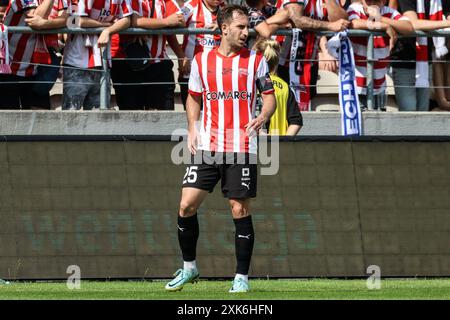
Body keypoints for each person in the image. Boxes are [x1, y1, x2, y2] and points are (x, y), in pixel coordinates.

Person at [165, 5, 276, 293]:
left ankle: (241, 277)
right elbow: (193, 98)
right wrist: (192, 127)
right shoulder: (202, 61)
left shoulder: (255, 61)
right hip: (209, 145)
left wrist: (263, 115)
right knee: (186, 205)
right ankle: (189, 267)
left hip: (242, 145)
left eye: (247, 27)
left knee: (238, 208)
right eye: (240, 27)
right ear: (224, 28)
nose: (246, 32)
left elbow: (269, 98)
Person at [265, 0, 349, 111]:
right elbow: (297, 19)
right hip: (282, 62)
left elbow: (341, 21)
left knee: (303, 111)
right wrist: (330, 25)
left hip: (308, 63)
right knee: (281, 110)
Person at [110, 0, 184, 110]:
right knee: (131, 116)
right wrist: (166, 22)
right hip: (128, 64)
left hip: (159, 64)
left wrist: (147, 26)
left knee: (162, 116)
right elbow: (133, 21)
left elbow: (180, 22)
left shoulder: (166, 1)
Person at [62, 0, 132, 110]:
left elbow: (127, 20)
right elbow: (75, 21)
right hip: (76, 63)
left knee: (100, 115)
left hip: (103, 63)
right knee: (71, 113)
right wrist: (105, 26)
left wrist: (108, 30)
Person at [347, 0, 413, 111]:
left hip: (379, 87)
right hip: (355, 87)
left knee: (378, 127)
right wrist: (384, 26)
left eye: (376, 0)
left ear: (384, 1)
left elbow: (408, 27)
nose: (372, 3)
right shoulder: (355, 8)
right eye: (368, 0)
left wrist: (380, 18)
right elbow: (353, 23)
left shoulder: (389, 12)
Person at [390, 0, 450, 111]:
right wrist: (446, 23)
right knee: (409, 112)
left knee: (423, 111)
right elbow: (413, 23)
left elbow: (448, 13)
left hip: (426, 62)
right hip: (405, 61)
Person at [0, 0, 59, 109]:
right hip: (10, 69)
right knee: (11, 119)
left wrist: (47, 24)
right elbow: (36, 19)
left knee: (40, 118)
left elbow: (69, 21)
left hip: (35, 69)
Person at [177, 0, 224, 109]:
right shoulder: (192, 4)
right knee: (193, 113)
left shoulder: (224, 8)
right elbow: (178, 17)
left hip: (217, 72)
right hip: (192, 71)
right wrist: (181, 22)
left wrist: (223, 24)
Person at [255, 39, 302, 135]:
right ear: (277, 61)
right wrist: (285, 142)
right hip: (277, 144)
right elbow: (296, 121)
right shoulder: (284, 87)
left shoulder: (252, 83)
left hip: (251, 143)